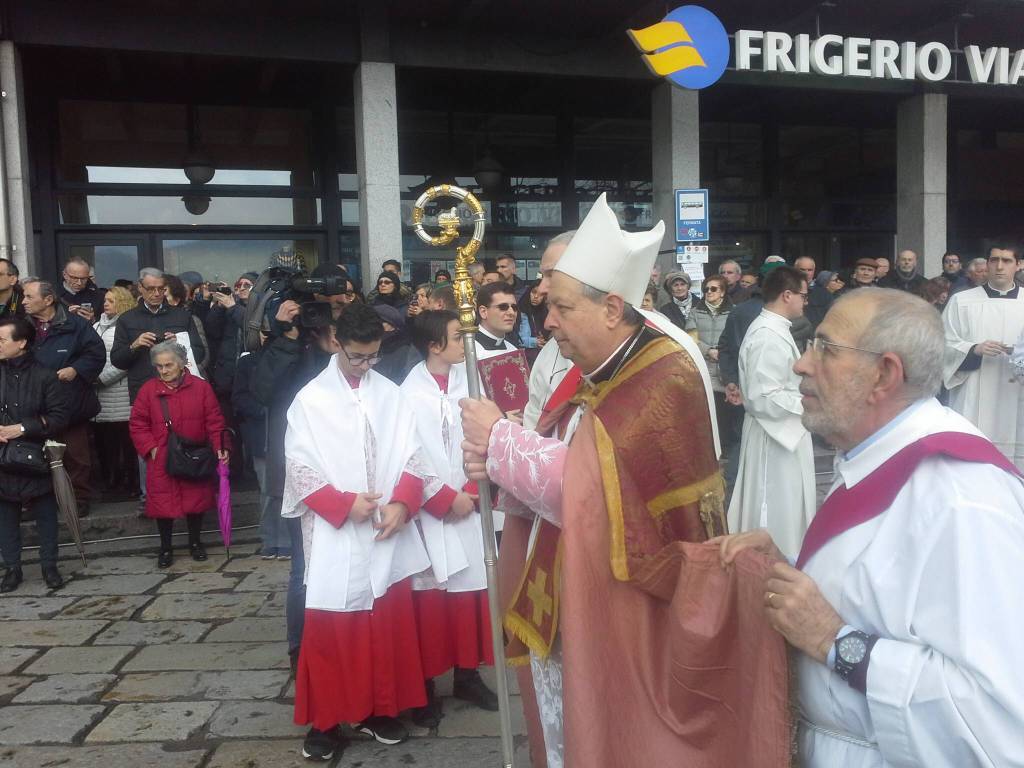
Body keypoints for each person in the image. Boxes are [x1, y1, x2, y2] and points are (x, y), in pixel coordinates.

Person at [461, 194, 789, 767]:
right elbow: (576, 456)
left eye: (561, 307)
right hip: (584, 580)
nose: (549, 321)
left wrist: (500, 443)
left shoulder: (661, 375)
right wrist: (498, 461)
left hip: (639, 605)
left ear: (612, 308)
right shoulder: (608, 363)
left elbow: (587, 490)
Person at [715, 287, 1024, 767]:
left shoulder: (962, 499)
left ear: (884, 374)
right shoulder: (877, 458)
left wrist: (834, 641)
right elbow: (885, 596)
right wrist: (787, 572)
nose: (801, 365)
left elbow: (996, 721)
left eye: (826, 349)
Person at [286, 303, 439, 761]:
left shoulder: (390, 393)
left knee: (385, 626)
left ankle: (378, 708)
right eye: (357, 356)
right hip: (338, 531)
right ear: (337, 343)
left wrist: (402, 503)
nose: (366, 366)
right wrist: (341, 503)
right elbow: (298, 467)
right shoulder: (310, 400)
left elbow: (415, 456)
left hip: (384, 529)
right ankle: (328, 719)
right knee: (334, 628)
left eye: (373, 356)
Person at [402, 310, 497, 728]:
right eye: (459, 335)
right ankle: (423, 685)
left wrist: (474, 492)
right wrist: (441, 497)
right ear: (434, 345)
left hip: (471, 503)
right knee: (431, 601)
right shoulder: (406, 393)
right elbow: (404, 454)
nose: (467, 341)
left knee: (472, 594)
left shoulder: (473, 383)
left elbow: (491, 437)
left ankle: (467, 674)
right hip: (430, 512)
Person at [254, 297, 337, 671]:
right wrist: (287, 337)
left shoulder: (353, 351)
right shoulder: (290, 346)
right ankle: (299, 651)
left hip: (347, 475)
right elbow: (261, 391)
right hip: (302, 474)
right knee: (303, 568)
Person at [727, 266, 815, 560]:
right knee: (777, 506)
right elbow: (763, 397)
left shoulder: (774, 329)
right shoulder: (768, 335)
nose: (806, 301)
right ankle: (773, 566)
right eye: (804, 295)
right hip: (774, 438)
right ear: (787, 295)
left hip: (780, 433)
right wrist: (810, 404)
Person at [129, 340, 229, 567]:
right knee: (163, 506)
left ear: (182, 364)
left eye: (168, 365)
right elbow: (138, 424)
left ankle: (195, 542)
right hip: (162, 456)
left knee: (196, 501)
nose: (163, 371)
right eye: (159, 366)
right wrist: (151, 449)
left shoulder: (201, 387)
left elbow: (214, 421)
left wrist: (220, 447)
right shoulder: (148, 390)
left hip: (194, 455)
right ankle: (165, 548)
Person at [0, 317, 72, 593]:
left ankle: (49, 566)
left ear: (21, 343)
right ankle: (12, 569)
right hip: (3, 456)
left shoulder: (44, 375)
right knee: (5, 516)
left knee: (45, 514)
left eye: (2, 339)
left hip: (35, 454)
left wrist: (22, 428)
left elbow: (59, 417)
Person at [22, 279, 104, 517]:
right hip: (33, 403)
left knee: (76, 455)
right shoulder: (22, 327)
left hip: (70, 401)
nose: (24, 301)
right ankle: (36, 501)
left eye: (29, 297)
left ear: (48, 300)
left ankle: (78, 499)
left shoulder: (75, 325)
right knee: (33, 453)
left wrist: (76, 369)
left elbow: (96, 354)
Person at [942, 245, 1024, 469]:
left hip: (1017, 390)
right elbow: (943, 343)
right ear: (986, 264)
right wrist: (973, 349)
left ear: (1019, 265)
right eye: (994, 260)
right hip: (974, 386)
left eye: (1006, 261)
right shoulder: (963, 301)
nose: (999, 266)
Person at [111, 268, 208, 403]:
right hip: (143, 391)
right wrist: (134, 346)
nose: (156, 294)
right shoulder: (127, 319)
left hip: (179, 389)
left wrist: (180, 343)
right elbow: (117, 360)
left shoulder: (182, 316)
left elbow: (200, 354)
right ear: (140, 287)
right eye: (151, 289)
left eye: (161, 289)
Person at [93, 287, 139, 497]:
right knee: (107, 445)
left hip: (120, 396)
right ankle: (112, 482)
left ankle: (130, 484)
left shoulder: (127, 326)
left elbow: (126, 361)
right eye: (105, 300)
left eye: (111, 300)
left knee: (126, 445)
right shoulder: (96, 326)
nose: (106, 304)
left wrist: (101, 379)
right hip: (100, 398)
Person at [685, 275, 733, 447]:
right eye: (706, 289)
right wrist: (708, 350)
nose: (709, 292)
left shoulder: (733, 312)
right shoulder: (695, 312)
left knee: (724, 412)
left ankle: (725, 448)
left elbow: (735, 339)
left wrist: (722, 352)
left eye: (714, 289)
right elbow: (691, 337)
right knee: (704, 411)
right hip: (703, 366)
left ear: (723, 292)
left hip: (723, 367)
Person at [369, 304, 420, 385]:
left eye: (379, 322)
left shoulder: (405, 352)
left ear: (392, 326)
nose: (373, 326)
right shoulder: (367, 346)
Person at [473, 282, 517, 359]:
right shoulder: (466, 351)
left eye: (514, 307)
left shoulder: (514, 351)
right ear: (483, 312)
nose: (511, 312)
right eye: (503, 307)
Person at [57, 257, 100, 323]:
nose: (79, 283)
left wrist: (93, 320)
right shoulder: (53, 295)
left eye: (83, 279)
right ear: (65, 275)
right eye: (74, 278)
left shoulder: (98, 296)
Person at [517, 281, 547, 364]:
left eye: (541, 294)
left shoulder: (546, 312)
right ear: (529, 292)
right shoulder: (521, 312)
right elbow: (515, 338)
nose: (536, 296)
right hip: (525, 357)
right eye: (534, 292)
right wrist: (534, 341)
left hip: (543, 356)